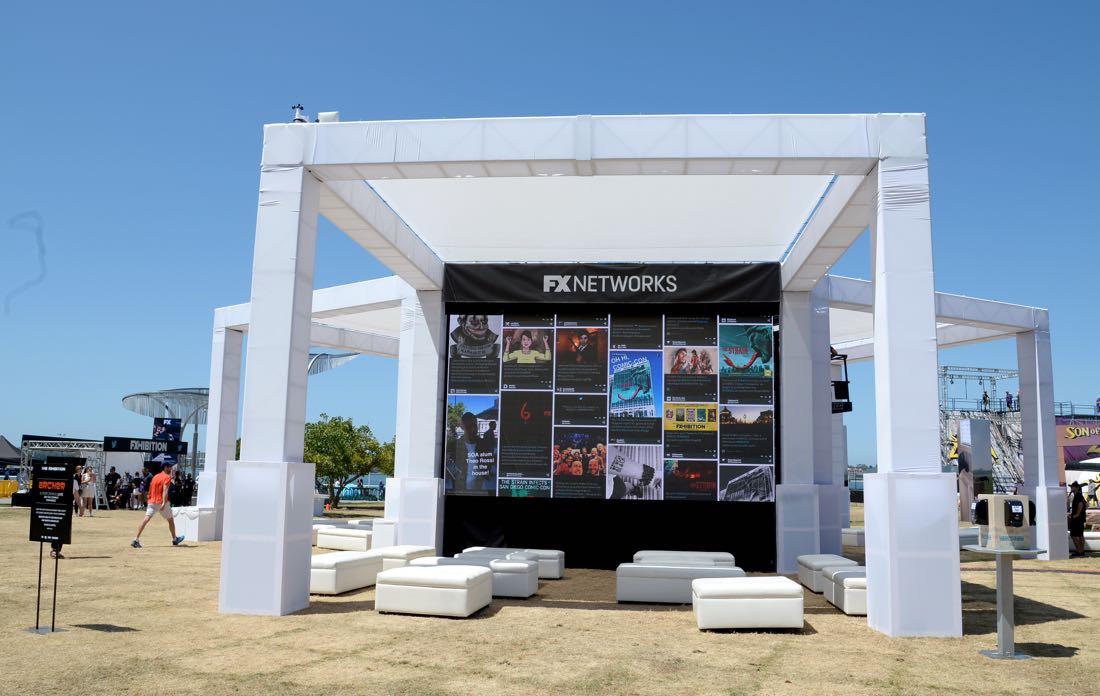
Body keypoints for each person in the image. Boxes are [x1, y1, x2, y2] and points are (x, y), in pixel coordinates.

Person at [131, 462, 185, 548]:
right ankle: (175, 539)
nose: (171, 469)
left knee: (145, 520)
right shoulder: (167, 477)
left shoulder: (155, 476)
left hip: (152, 501)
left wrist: (150, 498)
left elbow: (151, 488)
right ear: (165, 467)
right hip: (162, 502)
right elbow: (165, 490)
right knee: (170, 520)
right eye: (169, 467)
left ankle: (135, 539)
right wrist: (163, 502)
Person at [1068, 481, 1087, 557]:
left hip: (1077, 519)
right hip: (1080, 519)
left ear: (1077, 488)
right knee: (1080, 535)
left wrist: (1077, 514)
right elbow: (1086, 504)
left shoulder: (1078, 496)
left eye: (1073, 487)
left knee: (1074, 535)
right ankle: (1081, 551)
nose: (1071, 488)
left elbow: (1081, 504)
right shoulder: (1079, 495)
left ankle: (1079, 551)